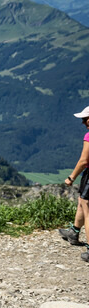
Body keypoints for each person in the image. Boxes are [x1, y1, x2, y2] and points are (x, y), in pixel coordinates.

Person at [60, 106, 89, 263]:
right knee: (82, 202)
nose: (83, 122)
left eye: (85, 119)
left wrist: (71, 177)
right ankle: (74, 232)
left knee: (88, 210)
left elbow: (84, 161)